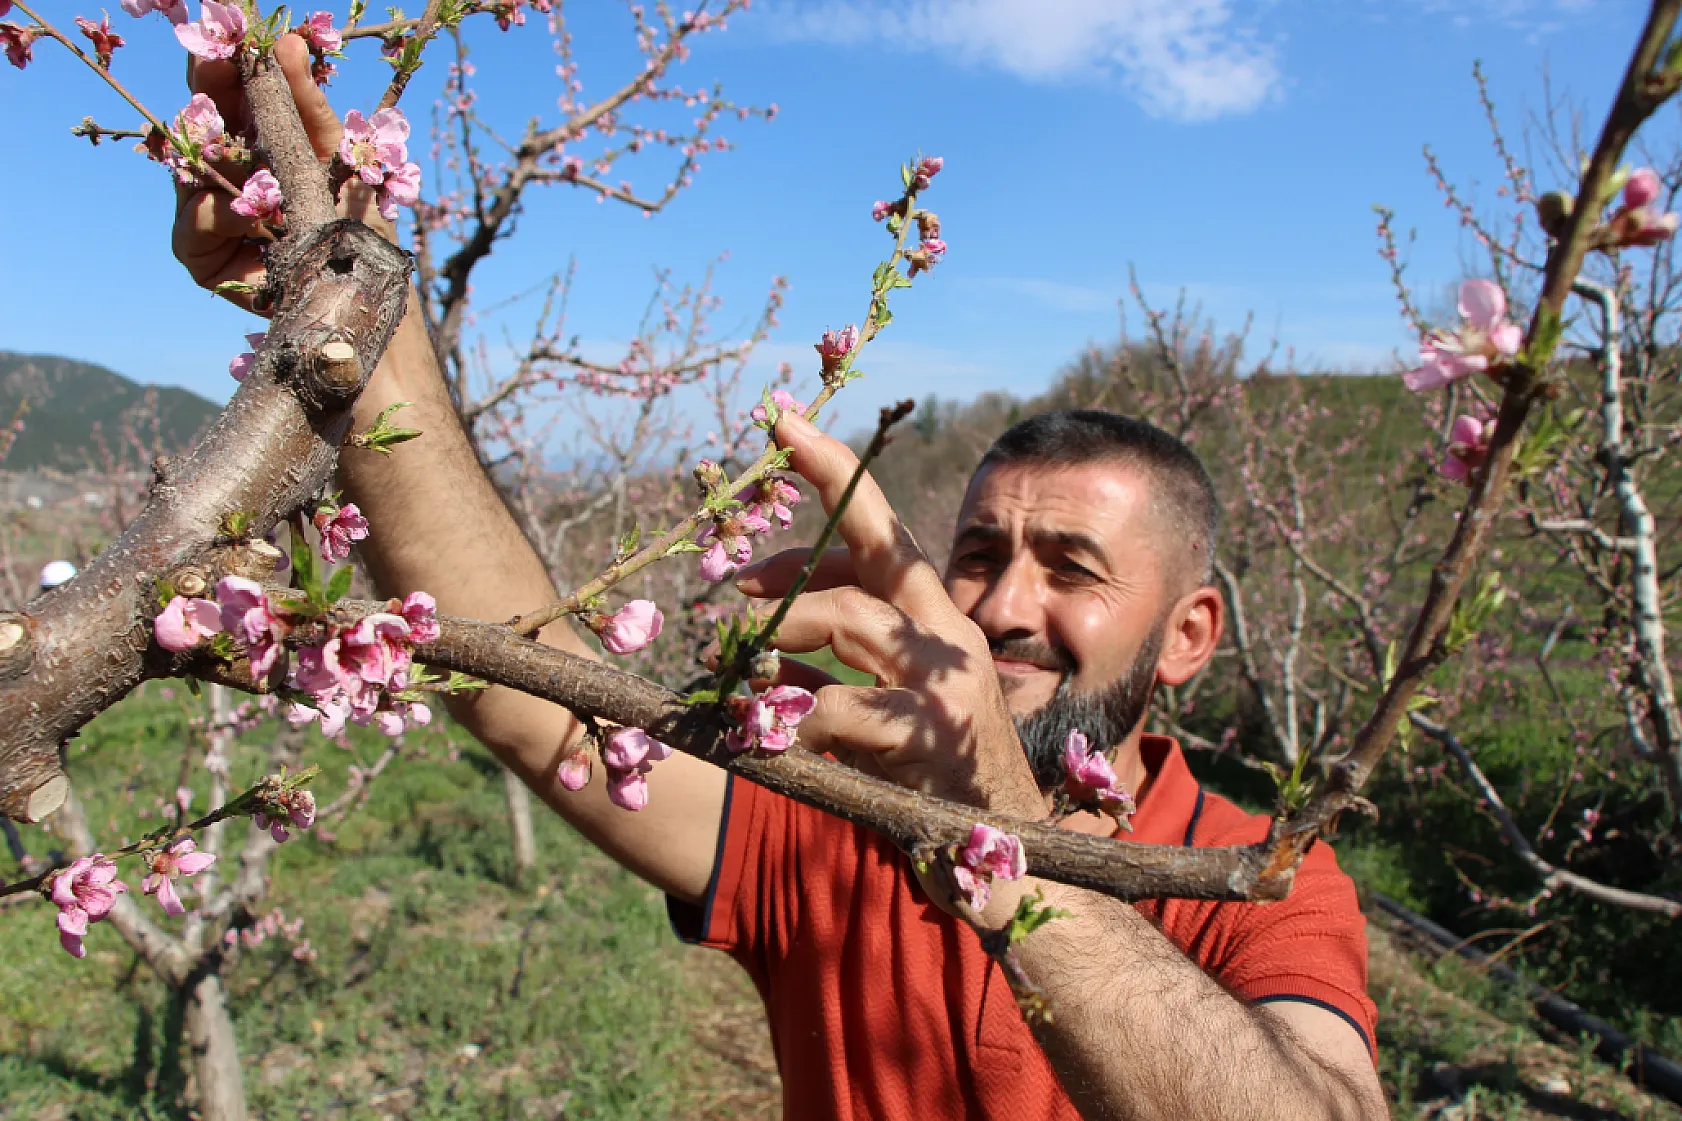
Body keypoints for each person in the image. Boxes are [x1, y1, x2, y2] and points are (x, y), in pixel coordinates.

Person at [172, 39, 1387, 1121]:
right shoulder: (841, 812)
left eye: (1071, 570)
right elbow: (533, 696)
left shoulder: (1254, 880)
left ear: (1188, 632)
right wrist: (344, 303)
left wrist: (1002, 829)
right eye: (976, 555)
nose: (1004, 606)